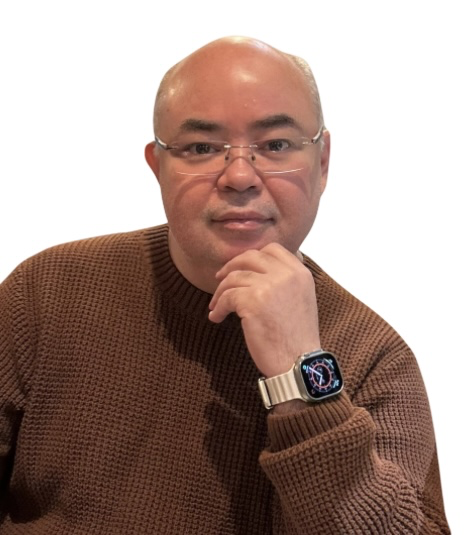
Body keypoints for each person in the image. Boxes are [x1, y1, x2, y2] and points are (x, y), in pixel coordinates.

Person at [0, 36, 450, 534]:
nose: (239, 176)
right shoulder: (44, 293)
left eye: (275, 145)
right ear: (158, 167)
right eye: (201, 148)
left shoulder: (376, 358)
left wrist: (300, 377)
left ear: (323, 162)